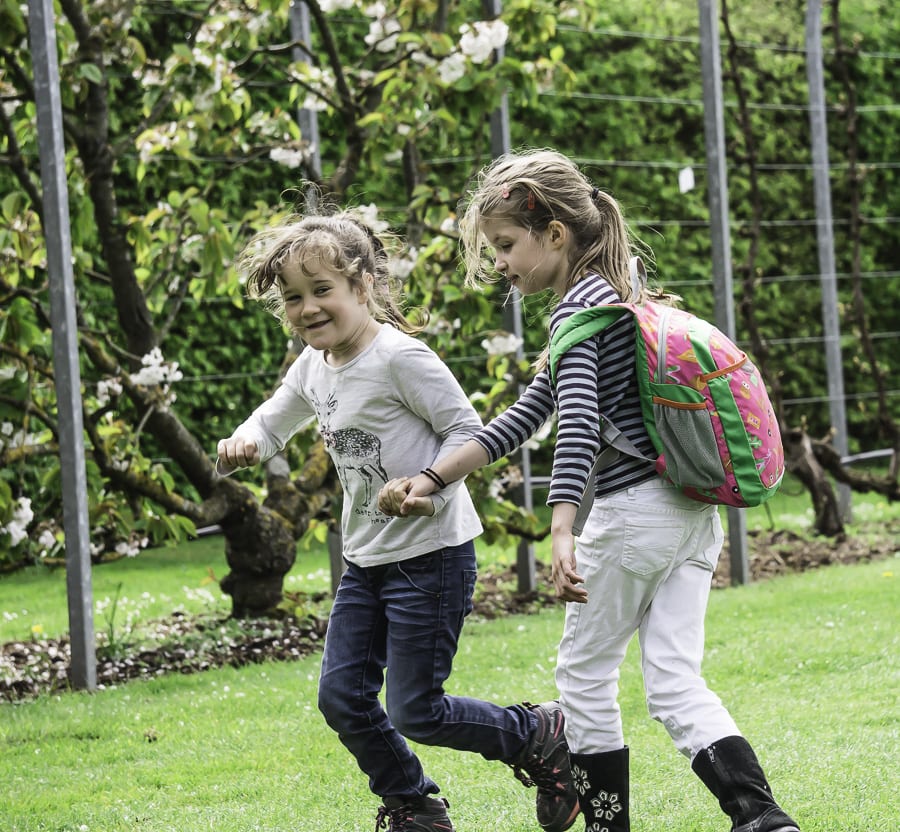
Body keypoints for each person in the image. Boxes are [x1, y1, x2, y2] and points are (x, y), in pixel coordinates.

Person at [378, 149, 800, 832]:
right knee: (674, 681)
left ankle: (608, 826)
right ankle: (761, 818)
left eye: (507, 246)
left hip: (632, 519)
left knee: (582, 681)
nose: (502, 265)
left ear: (554, 235)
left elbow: (575, 426)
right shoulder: (621, 298)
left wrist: (563, 524)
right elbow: (524, 417)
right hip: (692, 519)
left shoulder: (579, 316)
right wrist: (431, 477)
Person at [215, 209, 579, 832]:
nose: (307, 309)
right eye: (293, 298)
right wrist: (244, 441)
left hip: (431, 554)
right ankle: (414, 804)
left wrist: (427, 485)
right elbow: (272, 419)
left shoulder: (400, 359)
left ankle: (534, 733)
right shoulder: (311, 366)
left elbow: (469, 431)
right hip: (366, 559)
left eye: (321, 291)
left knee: (417, 710)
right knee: (342, 698)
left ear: (362, 285)